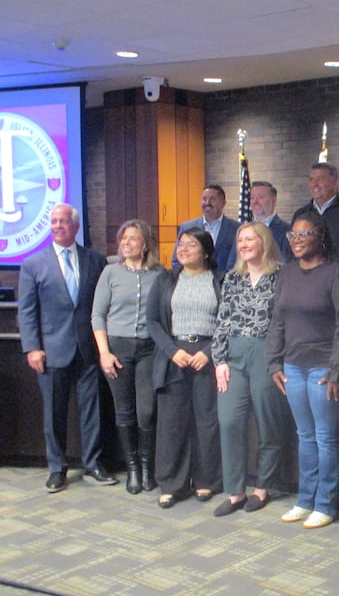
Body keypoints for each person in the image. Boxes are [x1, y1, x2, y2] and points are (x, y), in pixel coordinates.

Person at [266, 211, 339, 529]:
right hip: (293, 367)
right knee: (304, 436)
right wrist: (274, 361)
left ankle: (327, 504)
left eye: (304, 235)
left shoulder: (336, 271)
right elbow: (277, 320)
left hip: (322, 369)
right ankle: (305, 500)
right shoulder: (287, 272)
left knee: (325, 438)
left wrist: (335, 370)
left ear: (320, 237)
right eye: (293, 236)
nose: (297, 241)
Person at [18, 203, 116, 493]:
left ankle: (93, 463)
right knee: (54, 412)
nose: (57, 226)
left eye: (63, 222)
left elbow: (101, 307)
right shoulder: (33, 264)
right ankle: (57, 468)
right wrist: (32, 348)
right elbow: (27, 311)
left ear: (75, 226)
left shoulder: (95, 261)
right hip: (50, 351)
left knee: (93, 410)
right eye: (54, 222)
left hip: (88, 349)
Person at [211, 222, 287, 516]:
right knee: (229, 421)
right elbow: (222, 320)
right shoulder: (232, 277)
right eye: (240, 240)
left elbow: (283, 323)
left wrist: (277, 359)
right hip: (233, 354)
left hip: (265, 354)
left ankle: (262, 487)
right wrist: (219, 361)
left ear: (264, 241)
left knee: (268, 423)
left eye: (249, 239)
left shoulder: (281, 276)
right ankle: (235, 490)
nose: (243, 244)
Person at [148, 227, 224, 508]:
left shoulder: (220, 280)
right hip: (174, 354)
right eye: (181, 244)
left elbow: (227, 322)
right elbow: (153, 322)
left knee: (207, 421)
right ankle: (172, 484)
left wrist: (209, 352)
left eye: (191, 244)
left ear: (205, 251)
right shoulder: (165, 280)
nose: (184, 248)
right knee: (171, 423)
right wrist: (172, 351)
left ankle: (206, 480)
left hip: (207, 355)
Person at [91, 219, 164, 494]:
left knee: (146, 410)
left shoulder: (159, 274)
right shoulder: (110, 272)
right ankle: (132, 468)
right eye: (123, 239)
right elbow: (97, 314)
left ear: (145, 244)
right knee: (124, 411)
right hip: (117, 349)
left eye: (133, 238)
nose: (126, 243)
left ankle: (148, 468)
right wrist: (104, 353)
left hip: (148, 349)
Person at [292, 162, 339, 282]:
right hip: (305, 283)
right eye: (311, 179)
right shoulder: (300, 214)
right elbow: (294, 253)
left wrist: (330, 279)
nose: (314, 184)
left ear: (335, 183)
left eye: (320, 179)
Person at [171, 184, 240, 271]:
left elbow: (238, 262)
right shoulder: (187, 227)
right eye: (204, 199)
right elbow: (176, 261)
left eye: (212, 199)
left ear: (223, 203)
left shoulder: (236, 228)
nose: (207, 202)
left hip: (225, 282)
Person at [250, 180, 292, 262]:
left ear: (273, 201)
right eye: (252, 198)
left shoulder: (286, 230)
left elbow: (287, 264)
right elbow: (233, 263)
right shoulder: (243, 231)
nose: (255, 202)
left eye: (260, 197)